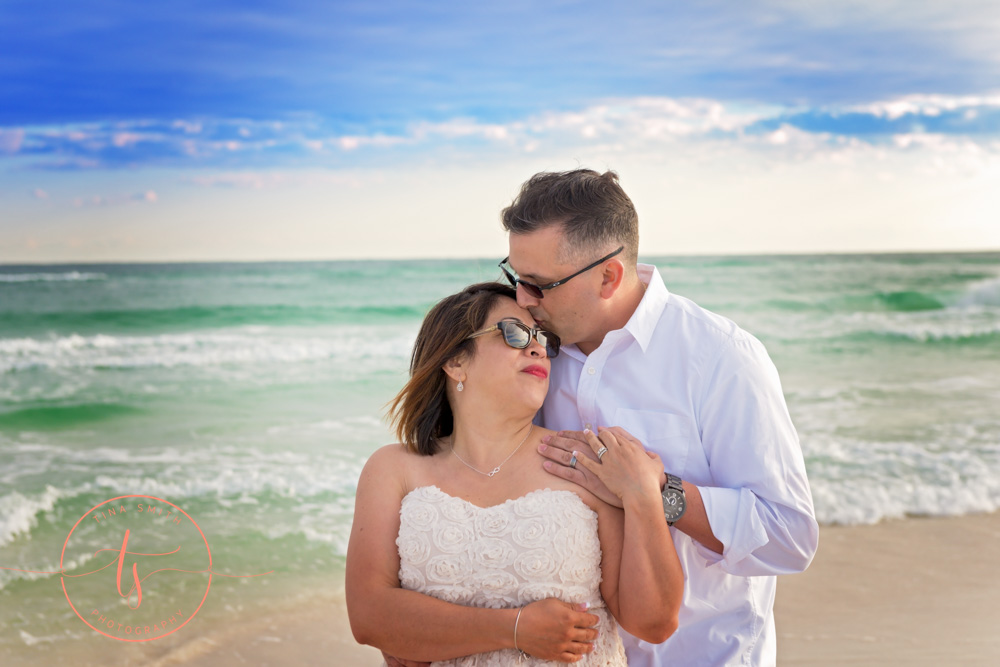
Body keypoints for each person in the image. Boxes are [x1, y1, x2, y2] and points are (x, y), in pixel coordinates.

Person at [499, 169, 819, 666]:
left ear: (609, 276)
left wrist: (656, 492)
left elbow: (788, 537)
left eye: (541, 286)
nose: (523, 300)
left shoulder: (719, 357)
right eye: (516, 279)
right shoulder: (527, 352)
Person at [346, 282, 684, 666]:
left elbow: (654, 623)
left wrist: (642, 497)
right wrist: (516, 628)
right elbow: (369, 617)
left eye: (543, 338)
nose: (537, 347)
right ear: (455, 361)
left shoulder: (582, 462)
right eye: (514, 333)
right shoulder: (392, 469)